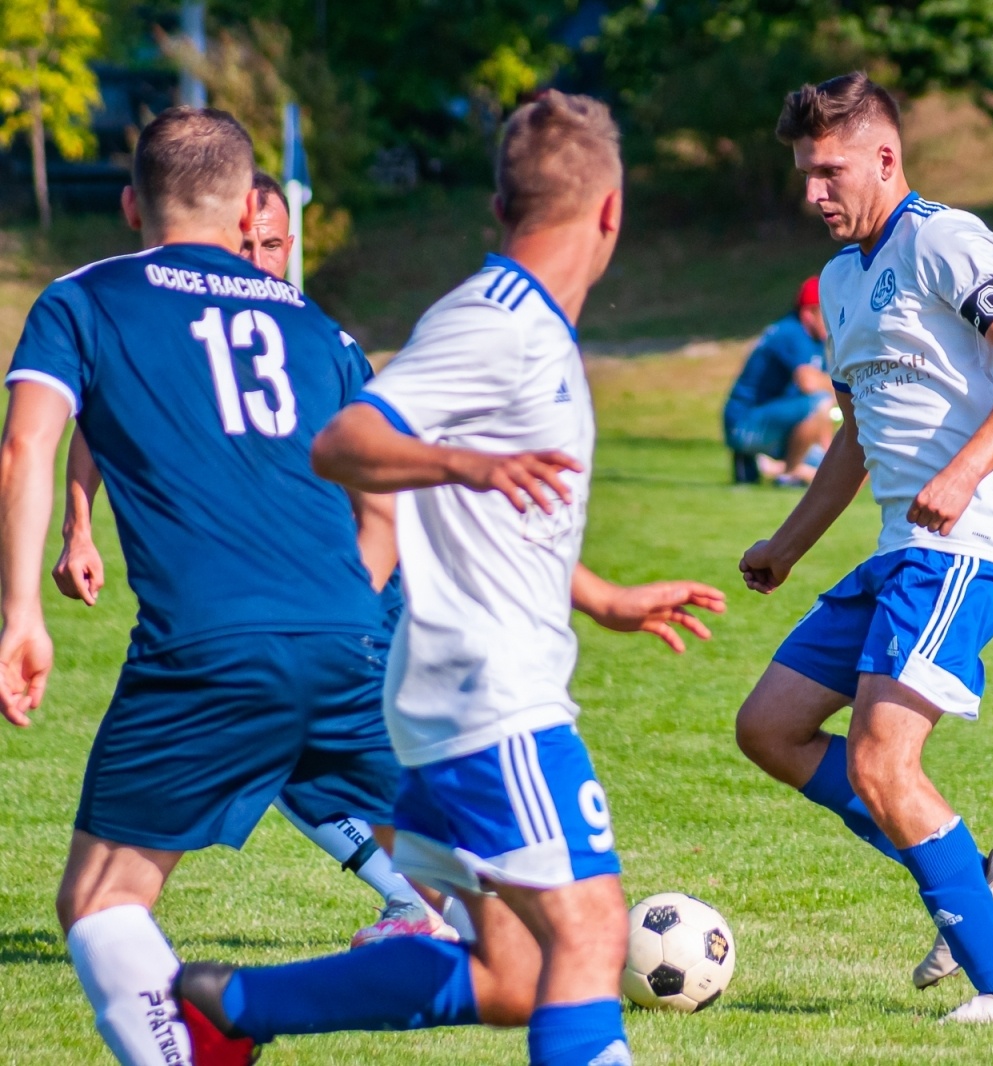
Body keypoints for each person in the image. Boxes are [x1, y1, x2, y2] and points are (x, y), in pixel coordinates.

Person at [174, 91, 725, 1066]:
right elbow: (347, 440)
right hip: (490, 697)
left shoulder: (528, 326)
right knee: (591, 937)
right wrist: (467, 463)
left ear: (500, 202)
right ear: (611, 211)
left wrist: (597, 595)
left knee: (514, 978)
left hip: (457, 692)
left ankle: (231, 1005)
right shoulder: (499, 320)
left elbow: (495, 512)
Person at [0, 107, 406, 1066]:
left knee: (101, 901)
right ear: (244, 215)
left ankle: (216, 1029)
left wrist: (21, 613)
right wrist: (345, 612)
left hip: (208, 648)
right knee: (491, 905)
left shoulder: (82, 298)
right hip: (354, 635)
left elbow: (27, 445)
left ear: (133, 201)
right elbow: (383, 494)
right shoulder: (316, 326)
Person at [733, 72, 993, 1024]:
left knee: (884, 763)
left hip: (969, 548)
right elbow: (854, 432)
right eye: (804, 173)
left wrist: (963, 475)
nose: (813, 193)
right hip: (896, 552)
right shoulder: (841, 281)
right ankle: (976, 871)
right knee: (770, 729)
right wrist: (789, 543)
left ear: (886, 158)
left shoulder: (943, 240)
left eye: (829, 171)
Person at [48, 168, 454, 950]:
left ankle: (474, 913)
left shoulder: (316, 334)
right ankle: (480, 916)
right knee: (303, 760)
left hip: (352, 582)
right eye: (248, 242)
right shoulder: (168, 323)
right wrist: (77, 525)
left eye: (272, 244)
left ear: (289, 243)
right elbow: (102, 413)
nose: (259, 257)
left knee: (334, 759)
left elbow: (384, 473)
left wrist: (363, 589)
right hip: (286, 598)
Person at [723, 275, 835, 484]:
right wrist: (843, 385)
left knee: (833, 468)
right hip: (745, 425)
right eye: (827, 311)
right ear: (809, 313)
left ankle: (772, 466)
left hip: (773, 422)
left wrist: (829, 452)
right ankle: (788, 473)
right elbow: (808, 383)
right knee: (819, 400)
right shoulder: (792, 333)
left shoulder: (815, 340)